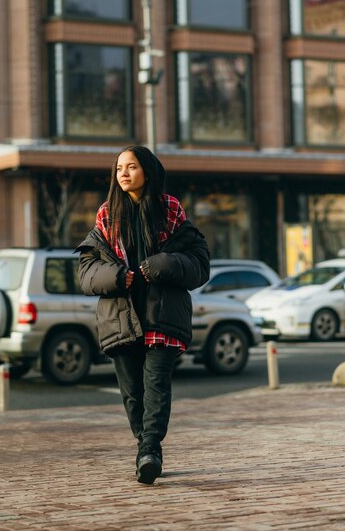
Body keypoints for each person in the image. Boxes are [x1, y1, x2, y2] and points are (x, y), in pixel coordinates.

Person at [77, 146, 210, 484]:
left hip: (161, 315)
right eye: (119, 167)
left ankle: (149, 449)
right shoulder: (106, 215)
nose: (123, 173)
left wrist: (164, 265)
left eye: (131, 166)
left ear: (147, 171)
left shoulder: (171, 209)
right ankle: (146, 449)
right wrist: (118, 277)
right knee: (133, 393)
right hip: (121, 316)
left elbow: (199, 262)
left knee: (156, 386)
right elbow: (87, 272)